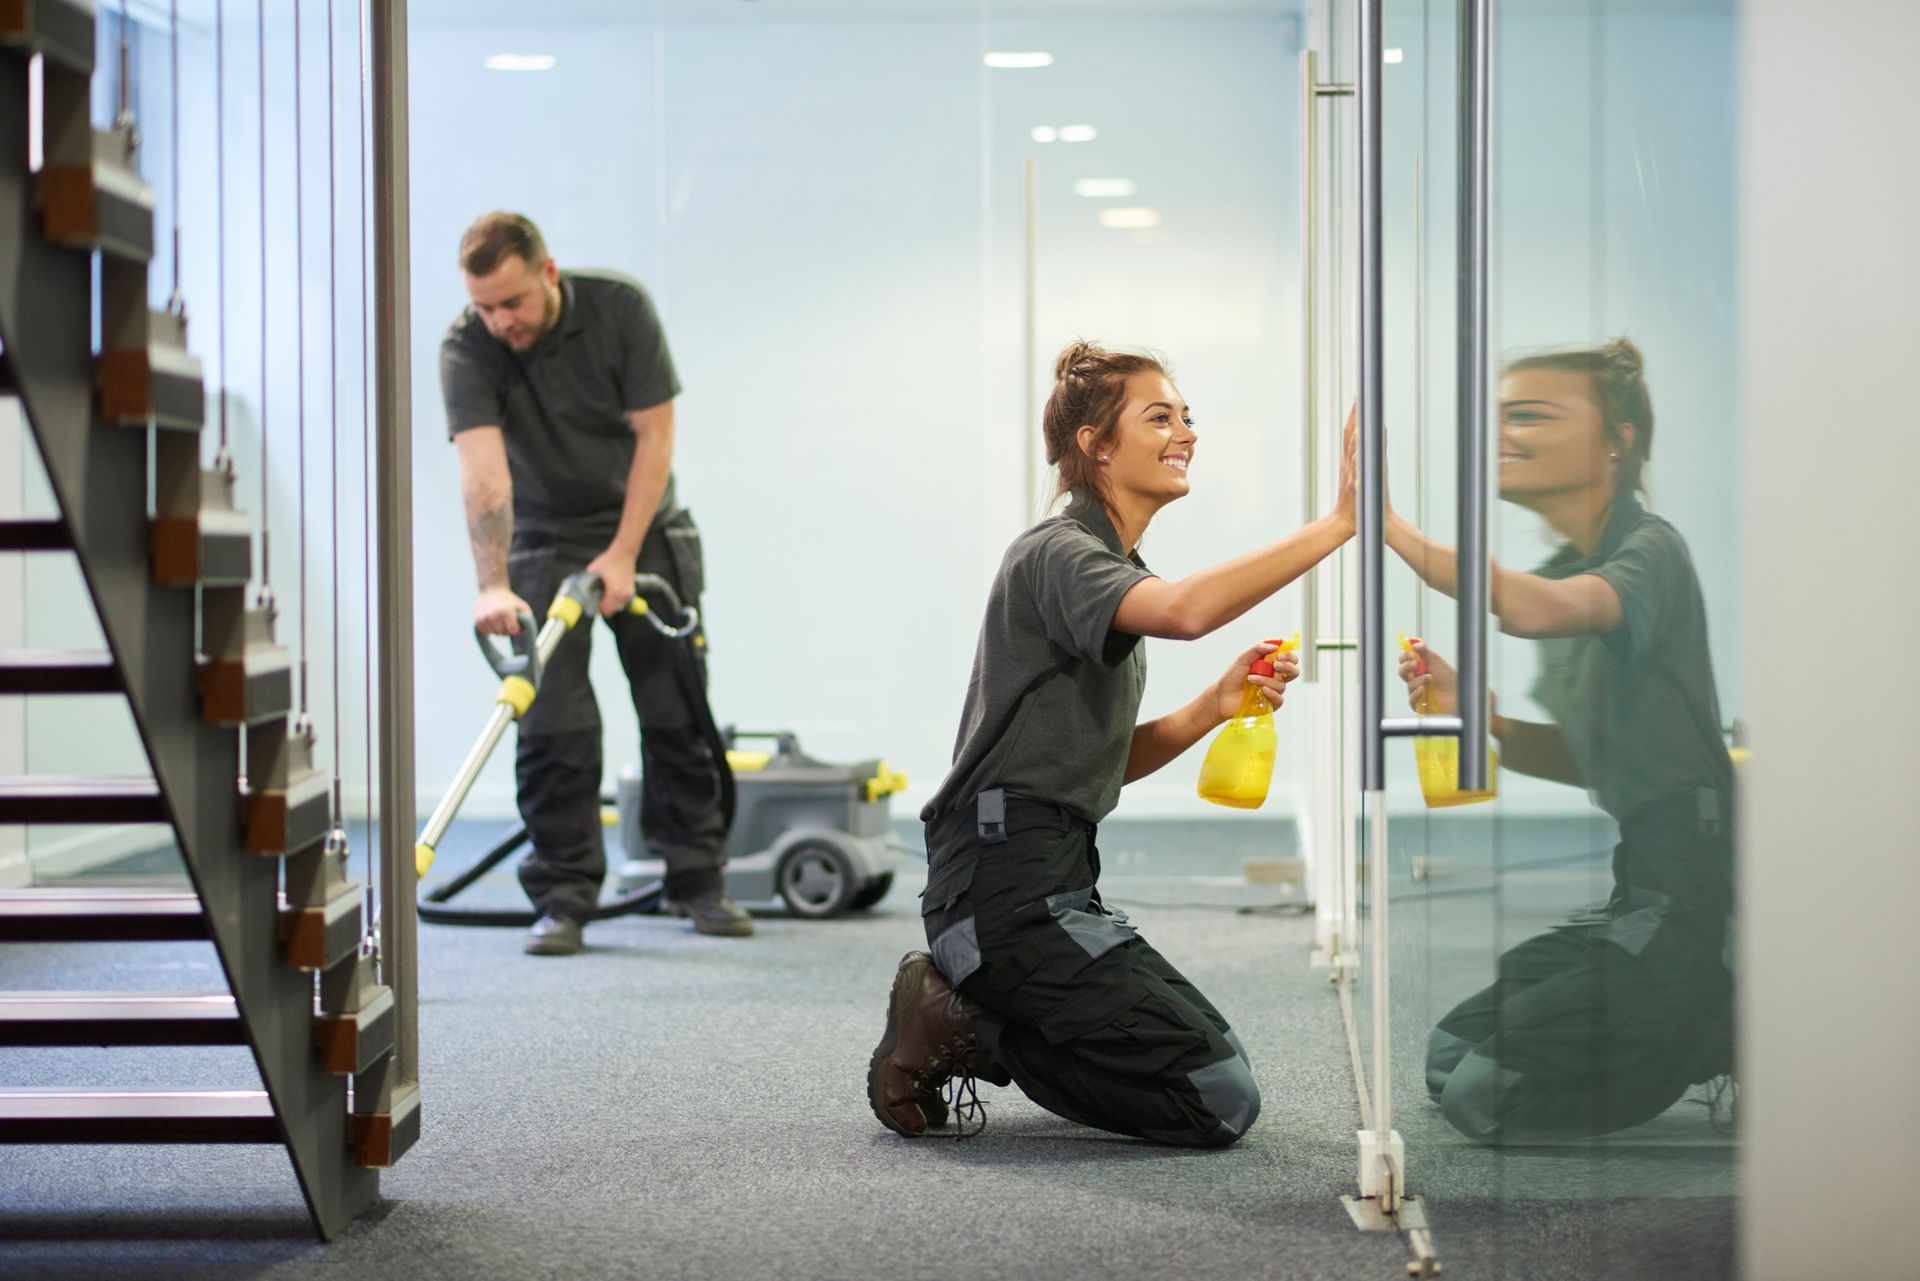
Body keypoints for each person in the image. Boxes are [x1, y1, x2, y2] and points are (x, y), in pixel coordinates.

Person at [866, 341, 1357, 1145]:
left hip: (1052, 880)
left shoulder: (1108, 562)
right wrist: (1340, 523)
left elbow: (1089, 763)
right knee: (1216, 1100)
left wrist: (1211, 706)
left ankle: (978, 1007)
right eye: (1158, 416)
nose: (1185, 431)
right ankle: (963, 1018)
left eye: (1187, 415)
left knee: (1216, 1064)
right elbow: (1188, 610)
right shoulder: (1060, 551)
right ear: (1096, 444)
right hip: (999, 892)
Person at [1388, 338, 1735, 1142]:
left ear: (1617, 438)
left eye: (1532, 415)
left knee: (1487, 1097)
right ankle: (1693, 1013)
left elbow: (1535, 607)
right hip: (1637, 885)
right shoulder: (1570, 563)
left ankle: (1715, 1021)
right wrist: (1492, 723)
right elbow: (1599, 759)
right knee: (1451, 1055)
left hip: (1693, 892)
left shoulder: (1651, 551)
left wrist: (1387, 528)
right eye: (1500, 415)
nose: (1503, 432)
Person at [440, 211, 750, 955]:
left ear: (547, 273)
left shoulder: (619, 309)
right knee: (553, 726)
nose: (499, 320)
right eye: (485, 305)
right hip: (543, 539)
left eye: (511, 302)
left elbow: (656, 437)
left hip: (643, 527)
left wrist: (622, 552)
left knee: (676, 709)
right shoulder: (468, 345)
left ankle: (695, 880)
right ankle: (564, 895)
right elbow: (483, 474)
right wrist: (491, 582)